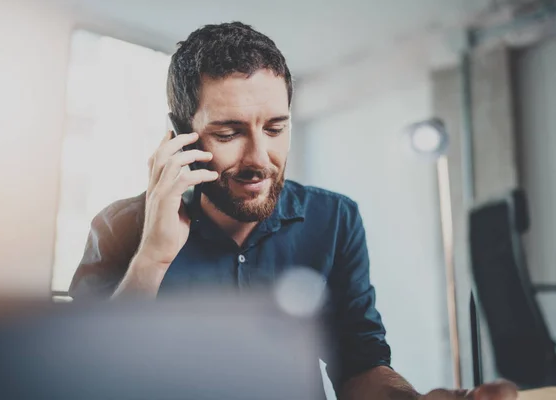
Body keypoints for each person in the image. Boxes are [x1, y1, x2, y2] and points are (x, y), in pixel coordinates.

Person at [69, 22, 517, 400]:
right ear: (181, 136)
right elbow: (81, 377)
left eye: (276, 128)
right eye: (229, 133)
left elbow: (359, 365)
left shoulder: (335, 221)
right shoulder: (119, 226)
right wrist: (153, 258)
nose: (260, 158)